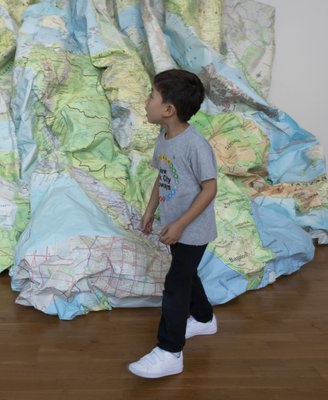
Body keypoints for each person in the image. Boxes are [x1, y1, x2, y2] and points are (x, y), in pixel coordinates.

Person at [128, 69, 218, 379]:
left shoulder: (195, 145)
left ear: (169, 109)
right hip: (174, 225)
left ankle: (169, 351)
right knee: (186, 273)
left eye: (151, 96)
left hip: (193, 229)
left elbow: (210, 188)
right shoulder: (164, 138)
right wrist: (150, 210)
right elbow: (161, 177)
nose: (146, 101)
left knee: (175, 286)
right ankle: (205, 319)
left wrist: (180, 224)